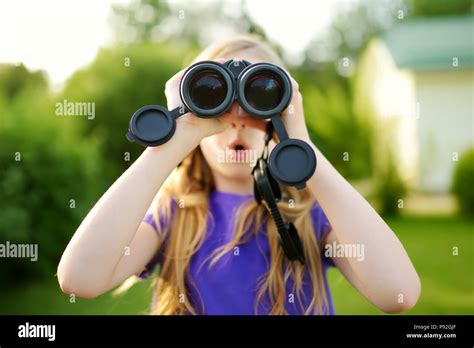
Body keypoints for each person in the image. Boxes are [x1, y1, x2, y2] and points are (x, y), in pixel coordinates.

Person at [57, 35, 420, 315]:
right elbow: (79, 279)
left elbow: (398, 293)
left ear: (282, 111)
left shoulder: (309, 213)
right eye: (214, 96)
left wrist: (300, 142)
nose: (237, 121)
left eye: (259, 97)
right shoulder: (174, 211)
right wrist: (172, 141)